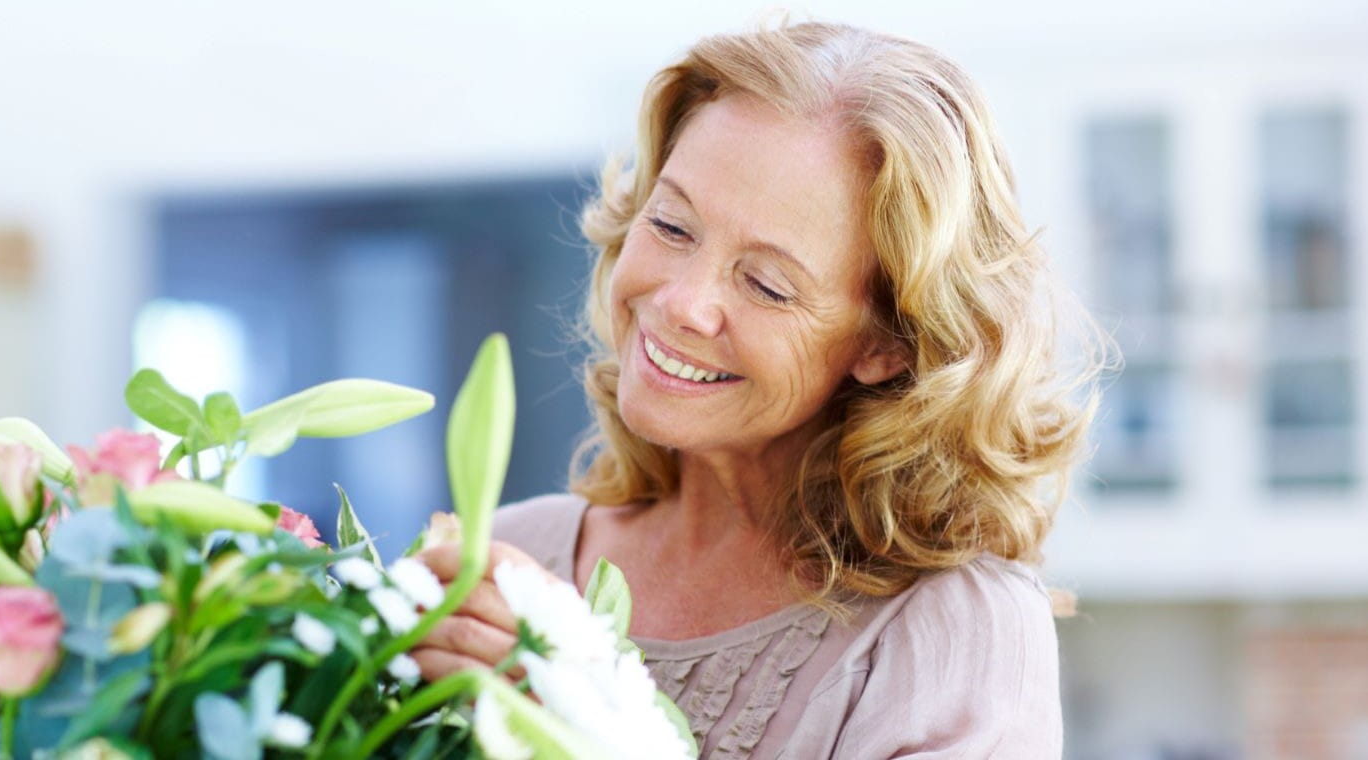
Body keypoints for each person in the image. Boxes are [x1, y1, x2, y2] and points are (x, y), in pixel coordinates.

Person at [412, 20, 1103, 759]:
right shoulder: (507, 554)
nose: (682, 302)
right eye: (673, 226)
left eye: (767, 285)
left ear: (886, 344)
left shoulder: (955, 633)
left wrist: (582, 711)